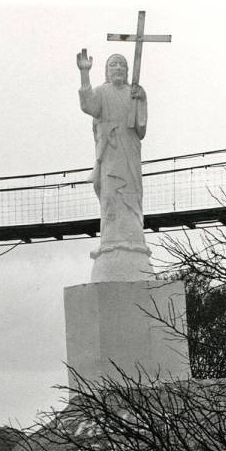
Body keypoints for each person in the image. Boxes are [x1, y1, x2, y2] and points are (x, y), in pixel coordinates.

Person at [76, 49, 152, 281]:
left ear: (128, 71)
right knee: (109, 196)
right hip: (109, 153)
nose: (118, 68)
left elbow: (141, 129)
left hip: (129, 150)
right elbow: (88, 105)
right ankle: (111, 244)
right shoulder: (102, 92)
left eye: (122, 65)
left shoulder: (134, 92)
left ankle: (133, 243)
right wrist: (84, 74)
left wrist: (141, 100)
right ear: (107, 71)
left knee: (132, 196)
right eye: (113, 65)